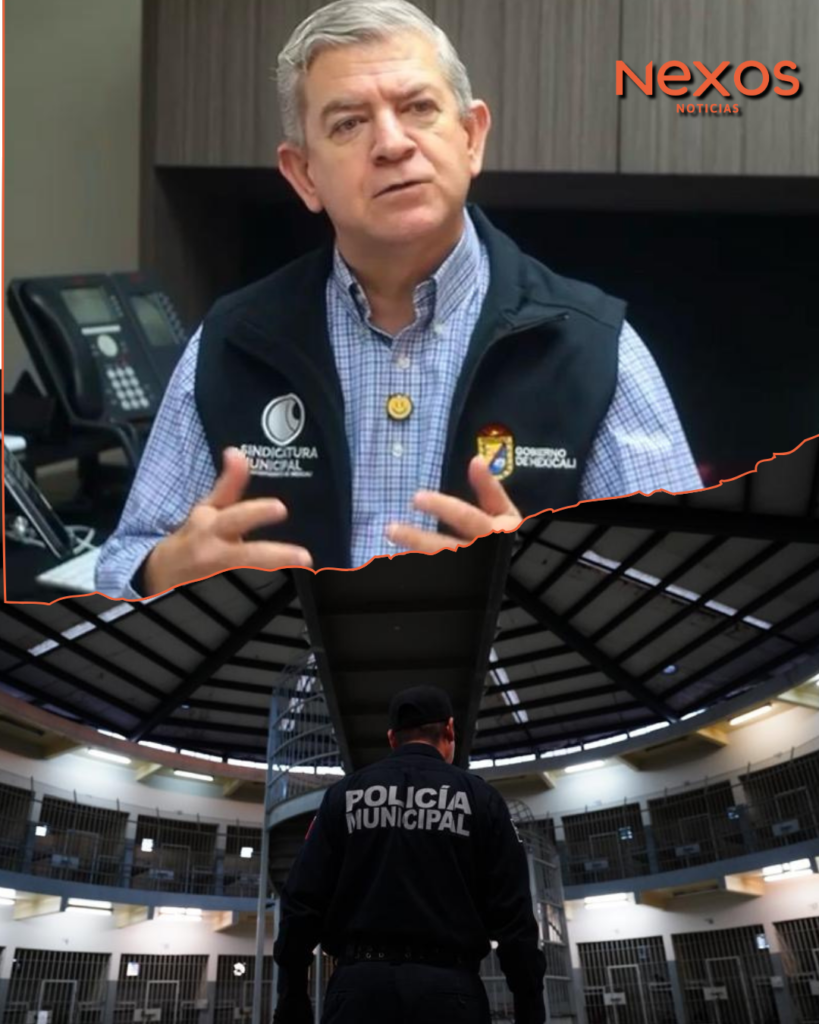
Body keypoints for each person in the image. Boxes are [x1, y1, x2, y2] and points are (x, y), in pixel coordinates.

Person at [95, 0, 701, 599]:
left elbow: (681, 597)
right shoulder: (235, 341)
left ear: (471, 137)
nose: (391, 143)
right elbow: (124, 560)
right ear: (304, 174)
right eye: (348, 123)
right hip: (290, 669)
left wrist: (539, 585)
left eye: (418, 108)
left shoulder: (592, 347)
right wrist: (162, 572)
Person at [272, 684, 546, 1024]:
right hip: (450, 994)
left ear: (392, 738)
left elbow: (301, 902)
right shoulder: (481, 799)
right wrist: (529, 1005)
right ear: (449, 729)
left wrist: (292, 995)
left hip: (358, 991)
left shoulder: (343, 796)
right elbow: (514, 915)